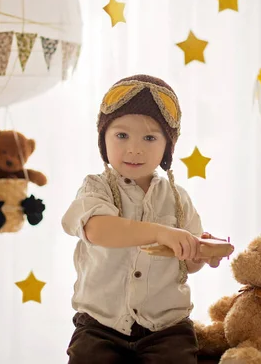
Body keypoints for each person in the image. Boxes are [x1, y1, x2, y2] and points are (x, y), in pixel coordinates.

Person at [61, 74, 222, 363]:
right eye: (122, 135)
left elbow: (189, 265)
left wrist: (201, 253)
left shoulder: (177, 197)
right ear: (104, 140)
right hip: (100, 326)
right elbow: (98, 229)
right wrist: (162, 233)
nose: (134, 148)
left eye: (149, 137)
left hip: (167, 328)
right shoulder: (96, 187)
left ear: (167, 148)